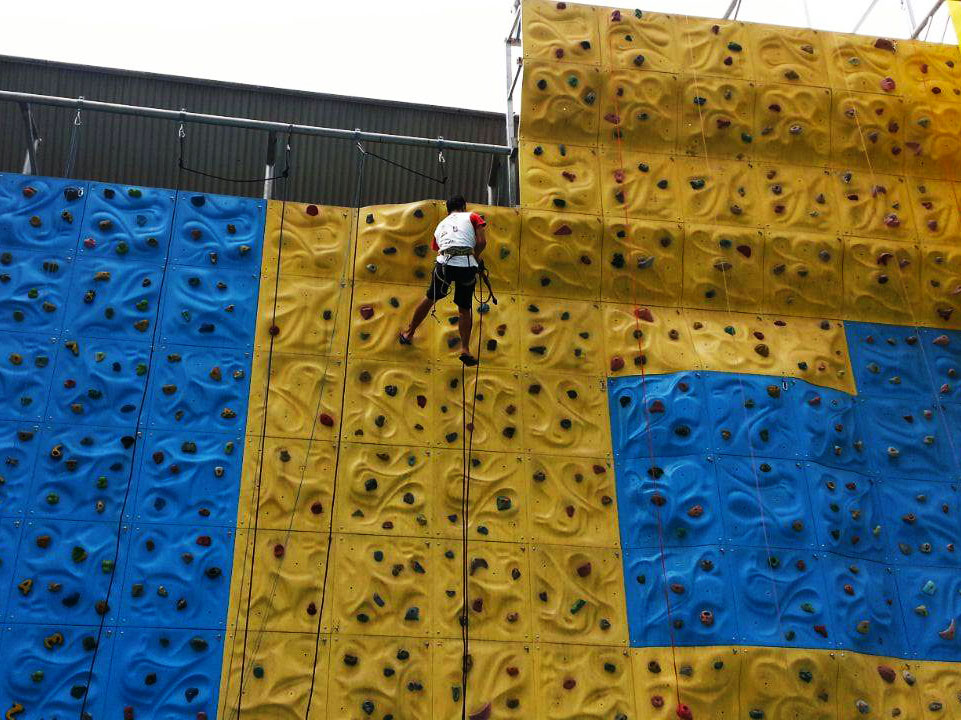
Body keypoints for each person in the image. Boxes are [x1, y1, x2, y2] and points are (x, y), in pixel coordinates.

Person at [399, 195, 486, 366]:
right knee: (464, 309)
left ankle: (409, 333)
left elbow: (437, 250)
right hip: (466, 265)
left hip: (444, 265)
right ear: (464, 206)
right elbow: (482, 241)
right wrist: (475, 258)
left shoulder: (439, 226)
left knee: (430, 297)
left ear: (448, 210)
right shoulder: (473, 216)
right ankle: (465, 349)